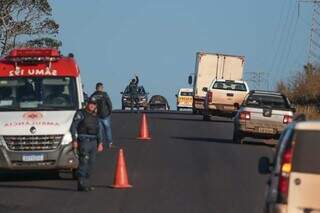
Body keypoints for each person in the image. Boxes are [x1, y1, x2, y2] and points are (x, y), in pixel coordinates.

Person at [71, 97, 104, 192]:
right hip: (84, 140)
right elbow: (73, 127)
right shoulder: (80, 114)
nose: (92, 105)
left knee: (91, 163)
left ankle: (87, 183)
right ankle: (81, 184)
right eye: (90, 103)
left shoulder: (95, 116)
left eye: (94, 104)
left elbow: (99, 130)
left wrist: (100, 142)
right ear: (87, 104)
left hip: (93, 142)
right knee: (83, 162)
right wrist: (74, 140)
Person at [90, 82, 114, 148]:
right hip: (105, 114)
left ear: (96, 88)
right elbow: (109, 103)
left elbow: (90, 105)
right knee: (107, 129)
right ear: (102, 88)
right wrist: (110, 111)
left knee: (99, 130)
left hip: (97, 115)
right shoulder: (104, 94)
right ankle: (110, 143)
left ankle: (100, 143)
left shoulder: (93, 95)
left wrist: (92, 113)